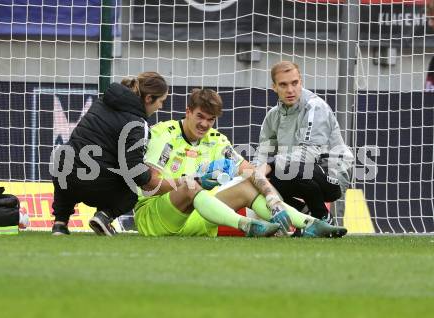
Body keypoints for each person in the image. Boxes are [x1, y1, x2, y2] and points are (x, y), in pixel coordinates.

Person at [134, 88, 347, 238]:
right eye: (200, 116)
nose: (204, 124)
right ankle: (246, 226)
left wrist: (273, 199)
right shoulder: (164, 134)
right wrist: (193, 180)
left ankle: (311, 224)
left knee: (248, 184)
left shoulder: (216, 139)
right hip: (154, 219)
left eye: (210, 120)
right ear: (188, 112)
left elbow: (250, 171)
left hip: (196, 220)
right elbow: (149, 185)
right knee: (191, 186)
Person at [51, 72, 168, 236]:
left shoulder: (102, 102)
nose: (161, 107)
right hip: (95, 183)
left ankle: (60, 223)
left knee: (67, 161)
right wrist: (151, 178)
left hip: (65, 176)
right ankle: (104, 216)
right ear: (149, 98)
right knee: (131, 190)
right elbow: (133, 169)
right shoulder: (138, 123)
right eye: (161, 101)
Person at [254, 61, 354, 228]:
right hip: (297, 170)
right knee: (263, 178)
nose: (290, 90)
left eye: (294, 83)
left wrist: (270, 165)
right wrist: (256, 174)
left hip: (334, 174)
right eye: (283, 85)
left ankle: (322, 216)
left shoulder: (316, 107)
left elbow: (308, 154)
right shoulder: (273, 116)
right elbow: (263, 152)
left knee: (296, 168)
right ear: (274, 87)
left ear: (301, 81)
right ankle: (305, 215)